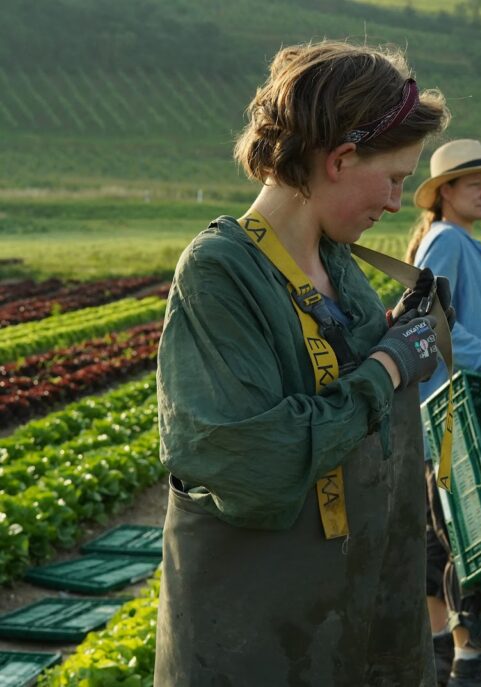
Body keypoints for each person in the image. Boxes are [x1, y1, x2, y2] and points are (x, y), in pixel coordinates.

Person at [154, 40, 450, 685]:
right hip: (259, 631)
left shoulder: (339, 261)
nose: (399, 202)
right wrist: (387, 369)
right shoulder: (221, 270)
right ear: (341, 159)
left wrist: (404, 332)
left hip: (354, 608)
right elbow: (250, 463)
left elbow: (355, 374)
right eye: (395, 178)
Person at [406, 138, 481, 687]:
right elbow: (427, 314)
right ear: (445, 192)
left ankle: (442, 658)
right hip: (451, 418)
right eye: (475, 183)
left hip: (455, 414)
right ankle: (467, 661)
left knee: (444, 539)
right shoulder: (447, 240)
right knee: (470, 539)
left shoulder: (462, 242)